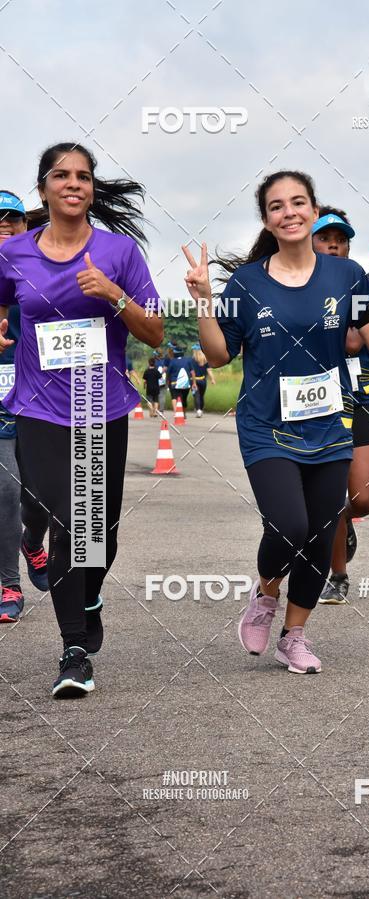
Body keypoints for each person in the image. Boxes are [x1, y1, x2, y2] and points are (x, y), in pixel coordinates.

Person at [182, 170, 369, 672]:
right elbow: (218, 357)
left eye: (298, 202)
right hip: (265, 426)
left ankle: (294, 635)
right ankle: (264, 594)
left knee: (321, 535)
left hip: (329, 425)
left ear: (312, 208)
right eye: (277, 206)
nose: (289, 212)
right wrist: (204, 305)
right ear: (267, 219)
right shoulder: (247, 282)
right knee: (288, 525)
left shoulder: (346, 277)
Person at [0, 142, 163, 696]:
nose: (74, 183)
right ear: (42, 188)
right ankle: (73, 651)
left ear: (92, 189)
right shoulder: (15, 252)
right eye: (62, 175)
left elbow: (155, 333)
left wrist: (115, 296)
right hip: (38, 409)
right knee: (70, 522)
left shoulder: (119, 253)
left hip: (100, 405)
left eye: (85, 176)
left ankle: (90, 596)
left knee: (99, 535)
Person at [310, 207, 369, 605]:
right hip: (313, 398)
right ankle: (338, 575)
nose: (334, 244)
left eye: (341, 239)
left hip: (359, 392)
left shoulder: (359, 279)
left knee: (363, 499)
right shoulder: (292, 282)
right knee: (325, 499)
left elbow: (360, 342)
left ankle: (341, 521)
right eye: (326, 238)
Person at [0, 191, 49, 622]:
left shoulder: (38, 274)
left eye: (11, 218)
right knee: (7, 490)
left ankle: (33, 542)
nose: (4, 224)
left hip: (38, 400)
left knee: (42, 497)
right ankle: (8, 584)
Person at [167, 346, 194, 416]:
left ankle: (176, 413)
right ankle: (184, 413)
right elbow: (192, 372)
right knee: (184, 399)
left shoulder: (172, 361)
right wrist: (193, 383)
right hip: (186, 384)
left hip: (174, 383)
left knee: (175, 397)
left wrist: (167, 382)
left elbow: (168, 373)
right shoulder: (188, 360)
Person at [191, 344, 215, 418]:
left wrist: (193, 382)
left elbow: (192, 372)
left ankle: (198, 410)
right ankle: (201, 409)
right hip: (203, 381)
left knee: (196, 396)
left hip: (194, 380)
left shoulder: (192, 360)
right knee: (201, 396)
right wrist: (212, 379)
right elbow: (209, 370)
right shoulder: (205, 360)